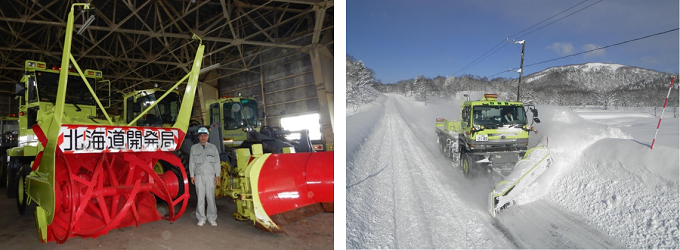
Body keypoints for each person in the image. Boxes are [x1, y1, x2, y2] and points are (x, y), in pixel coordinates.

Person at [189, 127, 221, 226]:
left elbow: (217, 163)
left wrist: (217, 175)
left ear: (207, 136)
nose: (203, 137)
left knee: (211, 198)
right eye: (201, 136)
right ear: (198, 137)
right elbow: (192, 163)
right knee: (200, 198)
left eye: (205, 135)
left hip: (210, 176)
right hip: (199, 176)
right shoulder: (194, 148)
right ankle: (201, 218)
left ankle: (212, 217)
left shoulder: (213, 147)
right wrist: (192, 175)